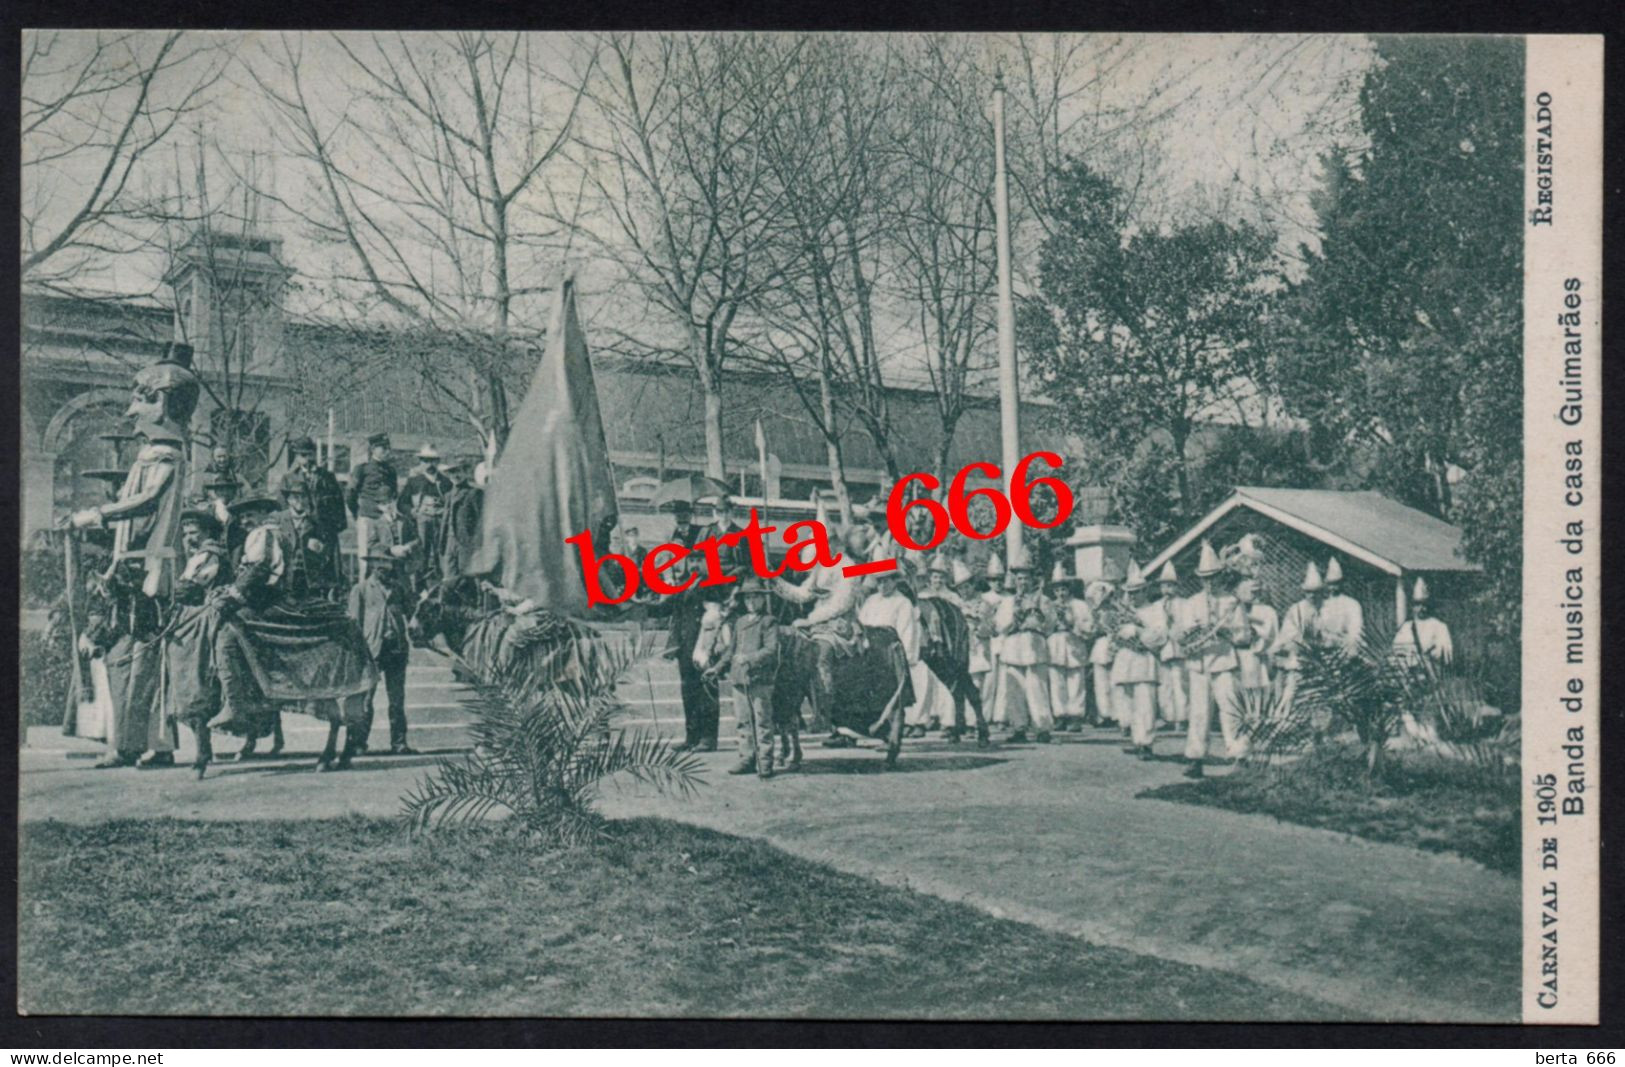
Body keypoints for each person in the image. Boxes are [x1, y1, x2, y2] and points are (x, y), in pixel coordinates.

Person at [211, 471, 377, 770]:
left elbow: (262, 570)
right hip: (277, 596)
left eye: (303, 496)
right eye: (293, 497)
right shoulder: (275, 527)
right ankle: (246, 700)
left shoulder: (296, 529)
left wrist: (235, 595)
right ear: (286, 500)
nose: (299, 502)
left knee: (228, 631)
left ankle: (235, 705)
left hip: (292, 599)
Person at [774, 524, 871, 747]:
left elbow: (840, 604)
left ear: (834, 542)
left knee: (820, 655)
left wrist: (810, 620)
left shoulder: (848, 566)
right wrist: (775, 581)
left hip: (840, 625)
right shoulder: (821, 566)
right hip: (817, 623)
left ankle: (824, 713)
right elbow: (801, 595)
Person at [160, 504, 233, 777]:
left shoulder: (209, 556)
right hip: (190, 614)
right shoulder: (195, 555)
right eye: (187, 532)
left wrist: (166, 590)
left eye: (195, 532)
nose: (190, 537)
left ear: (207, 533)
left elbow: (190, 587)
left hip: (206, 614)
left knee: (195, 673)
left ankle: (204, 745)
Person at [1176, 542, 1251, 777]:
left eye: (1213, 577)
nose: (1209, 583)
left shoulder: (1232, 603)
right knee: (1199, 713)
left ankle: (1241, 756)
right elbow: (1182, 634)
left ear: (1220, 577)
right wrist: (1191, 633)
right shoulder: (1191, 603)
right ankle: (1195, 759)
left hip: (1224, 662)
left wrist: (1226, 632)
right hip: (1199, 664)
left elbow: (1244, 636)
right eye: (1205, 578)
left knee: (1231, 709)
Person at [860, 567, 954, 737]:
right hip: (872, 651)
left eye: (886, 581)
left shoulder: (902, 602)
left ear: (894, 581)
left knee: (917, 678)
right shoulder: (871, 601)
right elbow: (862, 624)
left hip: (893, 651)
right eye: (879, 582)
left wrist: (906, 657)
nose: (882, 585)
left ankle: (917, 721)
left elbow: (906, 631)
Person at [707, 576, 782, 778]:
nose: (751, 602)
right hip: (739, 679)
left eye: (755, 597)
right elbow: (731, 650)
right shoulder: (740, 622)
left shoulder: (768, 622)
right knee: (743, 722)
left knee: (762, 722)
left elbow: (771, 649)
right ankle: (747, 758)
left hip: (759, 679)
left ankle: (765, 762)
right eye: (747, 598)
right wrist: (717, 668)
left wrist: (749, 658)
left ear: (762, 599)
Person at [661, 500, 718, 752]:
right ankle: (691, 736)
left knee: (706, 680)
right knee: (687, 683)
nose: (681, 518)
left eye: (685, 514)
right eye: (677, 515)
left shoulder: (702, 535)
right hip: (684, 627)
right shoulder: (672, 539)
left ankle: (708, 737)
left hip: (703, 626)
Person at [348, 553, 416, 756]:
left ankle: (399, 743)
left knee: (396, 700)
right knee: (366, 699)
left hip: (396, 648)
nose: (386, 572)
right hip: (372, 650)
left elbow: (412, 613)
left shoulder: (399, 589)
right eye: (381, 569)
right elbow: (353, 623)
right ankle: (359, 743)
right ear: (373, 568)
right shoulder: (360, 590)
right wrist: (356, 651)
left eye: (389, 568)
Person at [992, 551, 1055, 743]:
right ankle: (1019, 726)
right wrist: (1013, 618)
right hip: (1013, 645)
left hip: (1034, 645)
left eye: (1026, 578)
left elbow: (1050, 624)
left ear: (1032, 580)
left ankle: (1042, 727)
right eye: (1019, 578)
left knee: (1037, 688)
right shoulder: (1008, 601)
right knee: (1014, 689)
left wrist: (1038, 623)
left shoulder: (1043, 600)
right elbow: (1000, 625)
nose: (1022, 582)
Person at [1112, 562, 1164, 760]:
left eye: (1137, 592)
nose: (1133, 596)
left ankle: (1146, 744)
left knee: (1145, 704)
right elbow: (1115, 634)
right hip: (1126, 660)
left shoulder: (1155, 610)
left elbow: (1160, 636)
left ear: (1145, 591)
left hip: (1144, 661)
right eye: (1130, 593)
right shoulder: (1123, 612)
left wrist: (1139, 631)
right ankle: (1135, 739)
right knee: (1127, 703)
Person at [287, 436, 347, 587]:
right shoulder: (288, 479)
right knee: (301, 576)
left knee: (327, 576)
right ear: (297, 456)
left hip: (325, 532)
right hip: (299, 534)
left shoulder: (327, 477)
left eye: (310, 454)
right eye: (303, 455)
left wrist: (333, 530)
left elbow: (338, 506)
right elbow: (283, 510)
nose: (308, 458)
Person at [1271, 561, 1326, 717]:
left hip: (1321, 658)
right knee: (1292, 691)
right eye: (1309, 592)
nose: (1312, 595)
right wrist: (1307, 644)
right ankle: (1281, 717)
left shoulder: (1325, 609)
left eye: (1316, 592)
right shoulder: (1296, 610)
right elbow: (1289, 635)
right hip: (1300, 657)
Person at [1046, 563, 1093, 732]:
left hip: (1073, 640)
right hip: (1056, 642)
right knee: (1057, 681)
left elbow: (1088, 625)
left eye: (1063, 589)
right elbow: (1045, 625)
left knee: (1075, 680)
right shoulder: (1049, 605)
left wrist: (1073, 622)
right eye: (1057, 590)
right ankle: (1060, 715)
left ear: (1069, 589)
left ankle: (1075, 716)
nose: (1061, 593)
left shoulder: (1080, 605)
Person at [347, 432, 398, 581]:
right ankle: (364, 591)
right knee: (366, 558)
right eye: (383, 448)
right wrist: (358, 514)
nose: (386, 451)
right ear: (373, 449)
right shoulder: (362, 469)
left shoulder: (390, 471)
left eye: (388, 448)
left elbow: (394, 494)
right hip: (367, 519)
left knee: (386, 557)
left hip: (385, 519)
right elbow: (350, 494)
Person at [1233, 577, 1280, 710]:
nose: (1254, 595)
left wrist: (1256, 633)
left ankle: (1258, 715)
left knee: (1257, 686)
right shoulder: (1234, 610)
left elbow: (1271, 634)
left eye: (1256, 592)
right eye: (1249, 591)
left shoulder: (1267, 611)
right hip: (1236, 654)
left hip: (1255, 653)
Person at [1152, 562, 1187, 732]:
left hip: (1179, 647)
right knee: (1165, 684)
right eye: (1164, 586)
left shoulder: (1184, 604)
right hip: (1162, 648)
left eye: (1171, 585)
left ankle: (1182, 718)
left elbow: (1187, 625)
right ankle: (1168, 716)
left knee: (1180, 683)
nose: (1167, 589)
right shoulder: (1157, 606)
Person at [438, 457, 484, 584]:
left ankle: (473, 603)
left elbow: (481, 522)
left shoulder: (474, 493)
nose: (455, 475)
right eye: (452, 472)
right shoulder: (448, 495)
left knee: (468, 578)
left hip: (466, 543)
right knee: (449, 578)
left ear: (465, 472)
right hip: (449, 541)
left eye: (458, 471)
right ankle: (452, 603)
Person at [1391, 576, 1453, 668]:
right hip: (1407, 674)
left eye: (1425, 604)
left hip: (1429, 673)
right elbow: (1396, 649)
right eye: (1417, 604)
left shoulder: (1439, 627)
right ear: (1412, 606)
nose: (1422, 608)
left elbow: (1445, 655)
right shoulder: (1406, 627)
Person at [1086, 578, 1120, 733]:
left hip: (1113, 644)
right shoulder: (1094, 612)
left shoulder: (1116, 611)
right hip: (1100, 646)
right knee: (1100, 684)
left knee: (1114, 682)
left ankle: (1117, 714)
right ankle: (1104, 714)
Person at [1318, 556, 1364, 655]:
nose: (1333, 588)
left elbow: (1356, 631)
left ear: (1342, 584)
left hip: (1344, 647)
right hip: (1324, 647)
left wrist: (1342, 642)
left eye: (1336, 584)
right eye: (1330, 584)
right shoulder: (1322, 605)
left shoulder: (1352, 604)